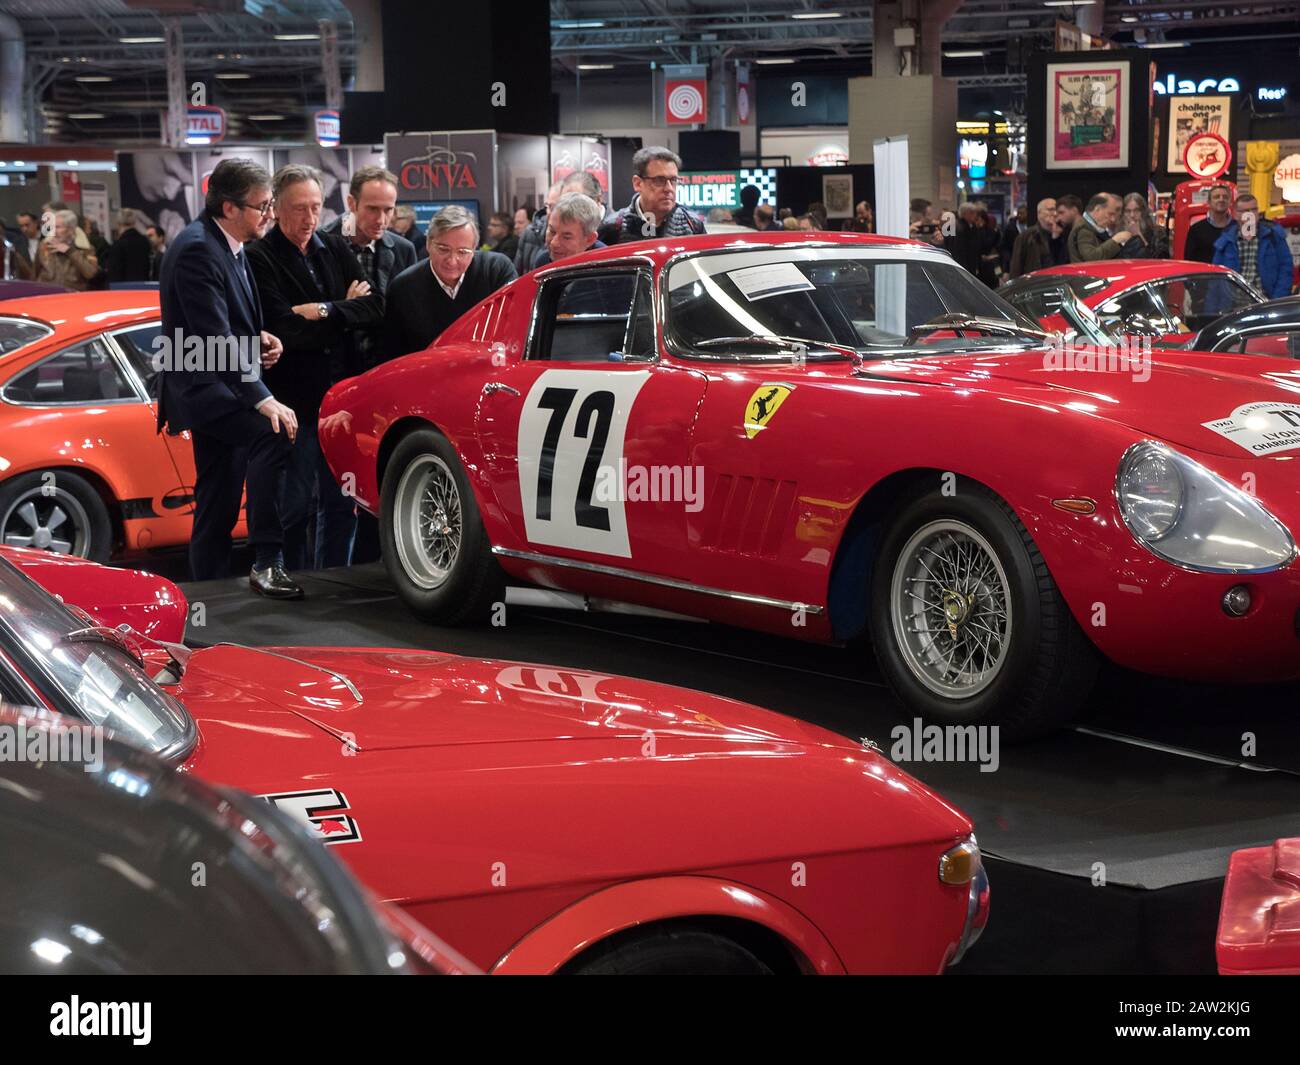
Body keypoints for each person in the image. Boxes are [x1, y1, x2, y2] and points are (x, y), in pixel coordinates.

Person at [155, 157, 298, 597]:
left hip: (217, 381)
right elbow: (210, 336)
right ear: (229, 207)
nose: (270, 214)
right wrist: (260, 397)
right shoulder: (199, 247)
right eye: (262, 206)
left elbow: (226, 324)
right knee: (273, 432)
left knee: (216, 500)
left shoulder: (224, 243)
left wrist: (257, 340)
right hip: (204, 387)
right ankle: (267, 559)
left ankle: (208, 597)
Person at [247, 163, 386, 572]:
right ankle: (293, 577)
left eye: (314, 207)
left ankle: (333, 579)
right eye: (297, 209)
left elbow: (375, 307)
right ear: (275, 208)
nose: (308, 218)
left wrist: (324, 309)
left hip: (341, 396)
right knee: (295, 506)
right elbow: (282, 329)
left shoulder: (333, 246)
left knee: (342, 502)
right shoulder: (261, 257)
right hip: (293, 400)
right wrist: (343, 314)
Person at [382, 205, 518, 361]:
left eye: (462, 252)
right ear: (428, 244)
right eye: (443, 249)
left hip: (487, 371)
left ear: (474, 249)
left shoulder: (496, 271)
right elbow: (393, 355)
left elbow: (514, 333)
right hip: (428, 376)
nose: (452, 261)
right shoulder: (403, 288)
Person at [320, 164, 416, 371]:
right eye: (372, 209)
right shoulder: (321, 244)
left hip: (386, 368)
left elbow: (407, 317)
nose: (381, 220)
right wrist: (343, 308)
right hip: (334, 367)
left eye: (388, 210)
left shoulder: (404, 250)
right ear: (351, 203)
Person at [611, 146, 705, 242]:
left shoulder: (693, 225)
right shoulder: (613, 228)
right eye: (659, 180)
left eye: (674, 180)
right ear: (638, 183)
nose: (669, 188)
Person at [1212, 194, 1293, 299]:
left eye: (1253, 209)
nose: (1250, 214)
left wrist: (1276, 300)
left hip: (1265, 301)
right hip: (1234, 304)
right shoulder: (1225, 241)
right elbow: (1216, 277)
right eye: (1245, 211)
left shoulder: (1273, 236)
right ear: (1235, 214)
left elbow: (1285, 269)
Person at [534, 192, 605, 267]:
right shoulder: (543, 262)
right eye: (552, 232)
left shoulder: (609, 267)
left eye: (566, 237)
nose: (554, 243)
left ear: (589, 239)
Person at [33, 209, 99, 290]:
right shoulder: (44, 246)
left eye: (58, 227)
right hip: (47, 295)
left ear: (70, 230)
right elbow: (35, 273)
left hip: (72, 296)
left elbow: (90, 273)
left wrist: (70, 252)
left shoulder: (84, 248)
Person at [1068, 192, 1133, 263]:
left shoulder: (1092, 228)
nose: (1113, 219)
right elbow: (1091, 258)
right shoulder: (1083, 229)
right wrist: (1115, 240)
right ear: (1097, 209)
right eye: (1110, 214)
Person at [515, 179, 562, 273]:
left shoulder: (584, 235)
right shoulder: (530, 233)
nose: (551, 212)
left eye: (558, 207)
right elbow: (517, 274)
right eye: (549, 206)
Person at [1010, 197, 1062, 277]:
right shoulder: (1027, 236)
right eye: (1050, 210)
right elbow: (1016, 267)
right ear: (1039, 213)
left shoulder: (1062, 234)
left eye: (1056, 210)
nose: (1055, 213)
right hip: (1034, 284)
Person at [1184, 184, 1234, 264]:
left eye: (1225, 197)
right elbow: (1189, 261)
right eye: (1216, 197)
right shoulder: (1196, 229)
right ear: (1209, 202)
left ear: (1230, 202)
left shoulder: (1237, 227)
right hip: (1205, 275)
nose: (1221, 199)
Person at [103, 208, 153, 283]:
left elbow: (114, 274)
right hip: (144, 288)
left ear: (118, 223)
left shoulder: (118, 245)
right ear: (134, 222)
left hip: (124, 290)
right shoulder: (145, 242)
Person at [1118, 193, 1168, 259]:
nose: (1132, 215)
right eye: (1128, 211)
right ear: (1123, 213)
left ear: (1143, 212)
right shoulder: (1117, 233)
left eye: (1136, 210)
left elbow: (1157, 259)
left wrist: (1138, 235)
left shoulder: (1158, 233)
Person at [1000, 204, 1028, 274]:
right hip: (1013, 261)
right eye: (1018, 213)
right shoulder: (1009, 227)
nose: (1019, 215)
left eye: (1022, 213)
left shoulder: (1031, 226)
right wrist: (1009, 259)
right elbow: (1004, 245)